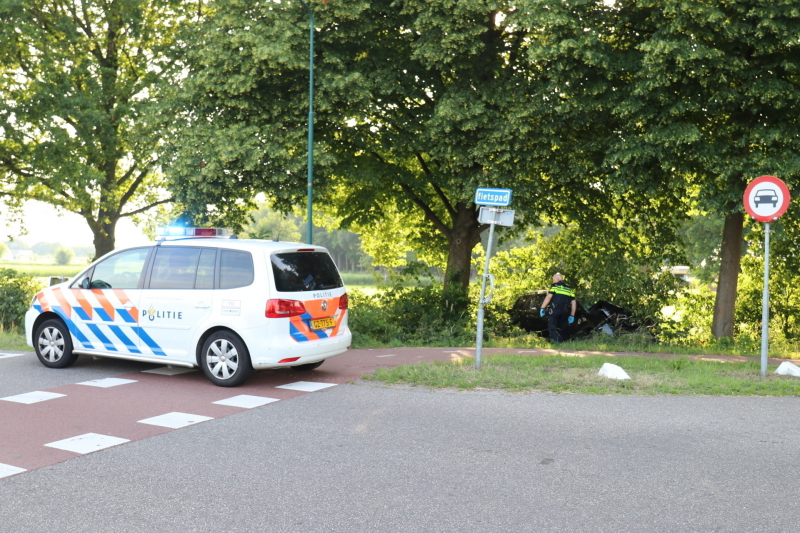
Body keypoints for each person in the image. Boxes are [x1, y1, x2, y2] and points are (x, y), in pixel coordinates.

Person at [539, 272, 577, 343]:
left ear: (557, 278)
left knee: (553, 327)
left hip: (555, 310)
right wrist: (572, 315)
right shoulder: (569, 289)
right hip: (565, 311)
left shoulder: (555, 286)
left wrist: (542, 308)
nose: (553, 281)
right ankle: (563, 343)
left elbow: (548, 297)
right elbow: (574, 303)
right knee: (561, 328)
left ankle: (558, 343)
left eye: (553, 279)